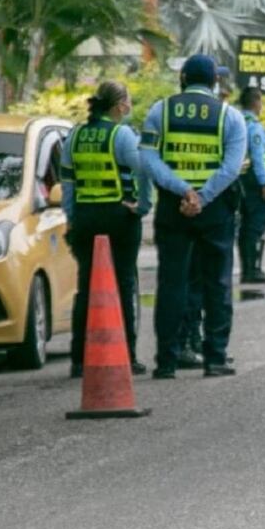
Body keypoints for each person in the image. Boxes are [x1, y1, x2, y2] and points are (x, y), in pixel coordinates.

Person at [140, 54, 246, 379]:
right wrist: (202, 196)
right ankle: (215, 359)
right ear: (215, 81)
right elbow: (231, 168)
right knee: (217, 282)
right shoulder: (231, 116)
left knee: (171, 283)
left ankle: (166, 362)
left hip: (174, 207)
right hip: (214, 209)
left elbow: (148, 158)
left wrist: (182, 190)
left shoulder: (160, 110)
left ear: (183, 78)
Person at [60, 80, 150, 378]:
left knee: (86, 287)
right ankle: (126, 355)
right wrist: (142, 207)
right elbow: (143, 169)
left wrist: (72, 219)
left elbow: (68, 186)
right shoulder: (121, 135)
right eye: (127, 101)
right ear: (117, 105)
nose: (129, 106)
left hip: (86, 218)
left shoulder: (74, 136)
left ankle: (79, 359)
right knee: (123, 284)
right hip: (119, 216)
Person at [237, 86, 265, 282]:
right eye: (261, 101)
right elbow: (258, 158)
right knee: (256, 226)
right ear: (255, 102)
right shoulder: (254, 127)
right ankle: (254, 270)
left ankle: (247, 269)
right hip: (254, 181)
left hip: (239, 180)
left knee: (245, 226)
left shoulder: (235, 121)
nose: (262, 106)